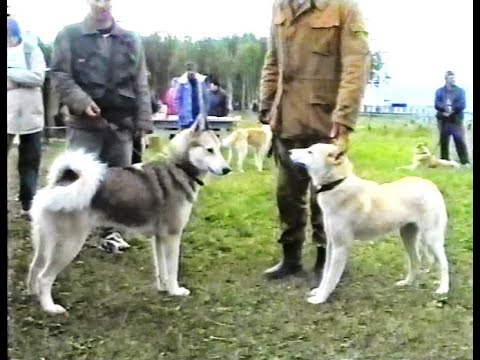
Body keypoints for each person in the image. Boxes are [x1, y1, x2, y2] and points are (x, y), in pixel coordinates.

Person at [259, 0, 370, 281]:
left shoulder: (343, 7)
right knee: (287, 194)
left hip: (325, 119)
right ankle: (291, 256)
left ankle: (327, 258)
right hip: (287, 119)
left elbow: (355, 68)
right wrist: (267, 104)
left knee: (327, 195)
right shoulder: (280, 6)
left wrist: (343, 120)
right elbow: (273, 61)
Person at [50, 0, 153, 252]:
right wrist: (82, 101)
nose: (101, 4)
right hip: (84, 124)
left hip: (122, 125)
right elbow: (60, 75)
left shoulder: (131, 39)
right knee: (74, 180)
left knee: (120, 185)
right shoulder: (69, 35)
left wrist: (144, 123)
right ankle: (65, 231)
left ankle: (112, 234)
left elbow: (140, 82)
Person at [7, 17, 47, 218]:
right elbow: (29, 78)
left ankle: (28, 203)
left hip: (32, 115)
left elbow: (38, 77)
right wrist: (24, 77)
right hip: (8, 113)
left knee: (30, 161)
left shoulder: (31, 50)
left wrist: (11, 74)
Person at [434, 71, 470, 168]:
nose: (453, 80)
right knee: (444, 141)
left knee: (459, 139)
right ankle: (444, 160)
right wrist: (444, 109)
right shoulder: (440, 91)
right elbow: (437, 104)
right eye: (451, 78)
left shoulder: (460, 91)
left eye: (454, 78)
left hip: (456, 120)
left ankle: (464, 162)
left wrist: (452, 110)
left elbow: (462, 105)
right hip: (443, 119)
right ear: (446, 79)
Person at [175, 62, 209, 129]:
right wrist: (180, 112)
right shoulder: (182, 83)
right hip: (186, 118)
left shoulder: (201, 82)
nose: (191, 73)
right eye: (189, 71)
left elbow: (206, 98)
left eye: (192, 71)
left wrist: (205, 113)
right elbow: (177, 99)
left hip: (199, 116)